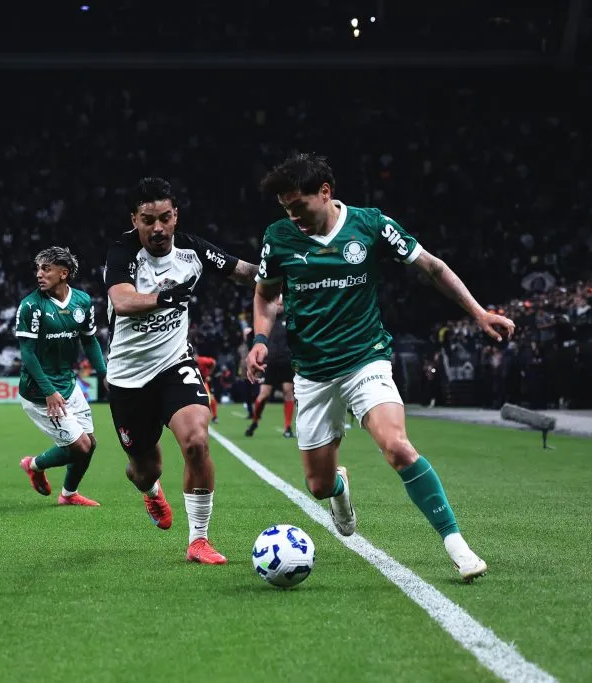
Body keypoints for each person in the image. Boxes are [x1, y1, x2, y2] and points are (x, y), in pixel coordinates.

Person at [247, 154, 515, 582]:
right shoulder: (278, 237)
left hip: (365, 359)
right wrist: (259, 340)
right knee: (317, 486)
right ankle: (340, 486)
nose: (293, 216)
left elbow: (432, 267)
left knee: (397, 446)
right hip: (313, 373)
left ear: (325, 192)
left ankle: (457, 545)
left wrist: (479, 313)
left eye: (299, 205)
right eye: (285, 208)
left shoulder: (370, 225)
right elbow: (264, 295)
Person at [104, 177, 259, 565]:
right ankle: (151, 489)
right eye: (148, 220)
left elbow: (243, 271)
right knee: (145, 469)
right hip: (127, 378)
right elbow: (121, 300)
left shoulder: (192, 249)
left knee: (195, 441)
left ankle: (199, 540)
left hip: (174, 365)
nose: (158, 228)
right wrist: (164, 297)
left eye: (165, 218)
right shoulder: (122, 250)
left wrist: (284, 269)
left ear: (176, 216)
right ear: (135, 220)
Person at [15, 246, 107, 507]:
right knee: (79, 446)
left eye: (46, 269)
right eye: (38, 269)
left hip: (67, 383)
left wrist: (104, 374)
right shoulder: (31, 306)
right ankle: (34, 465)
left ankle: (68, 495)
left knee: (91, 442)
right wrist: (48, 391)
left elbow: (89, 342)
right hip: (38, 391)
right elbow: (28, 355)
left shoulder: (82, 301)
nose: (39, 274)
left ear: (63, 273)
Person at [245, 303, 295, 439]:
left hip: (286, 362)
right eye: (277, 303)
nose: (279, 306)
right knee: (263, 396)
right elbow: (254, 339)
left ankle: (288, 427)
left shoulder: (290, 319)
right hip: (271, 363)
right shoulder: (267, 320)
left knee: (288, 392)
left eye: (281, 304)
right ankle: (254, 422)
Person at [195, 352, 219, 424]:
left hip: (204, 381)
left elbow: (213, 362)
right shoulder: (187, 362)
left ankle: (214, 416)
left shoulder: (202, 360)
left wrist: (209, 373)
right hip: (195, 382)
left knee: (210, 398)